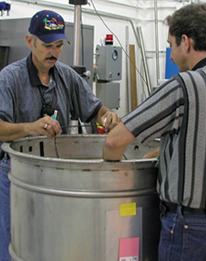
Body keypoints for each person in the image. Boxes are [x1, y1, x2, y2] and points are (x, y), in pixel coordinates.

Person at [103, 3, 206, 261]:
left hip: (187, 227)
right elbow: (205, 141)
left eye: (171, 45)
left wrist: (108, 178)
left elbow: (114, 140)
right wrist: (162, 152)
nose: (170, 55)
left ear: (186, 42)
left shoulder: (183, 85)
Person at [0, 10, 120, 260]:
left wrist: (108, 115)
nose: (53, 52)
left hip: (58, 175)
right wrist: (29, 128)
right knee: (17, 243)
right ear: (29, 41)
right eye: (46, 45)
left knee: (58, 242)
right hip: (16, 175)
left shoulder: (68, 77)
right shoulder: (9, 79)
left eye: (59, 45)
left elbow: (95, 109)